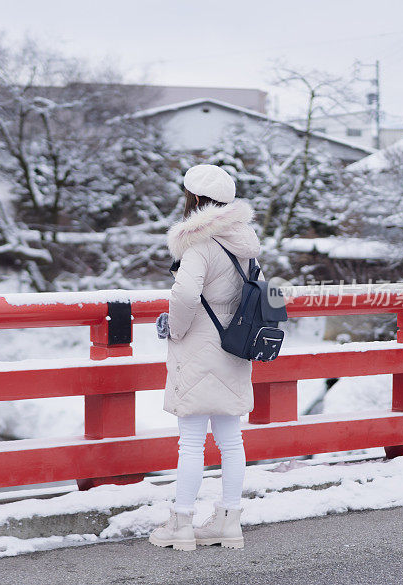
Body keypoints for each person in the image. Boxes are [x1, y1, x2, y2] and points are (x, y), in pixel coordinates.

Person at [148, 164, 260, 552]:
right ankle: (229, 522)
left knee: (191, 442)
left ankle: (181, 524)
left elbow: (183, 295)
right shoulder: (244, 244)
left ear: (194, 199)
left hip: (197, 350)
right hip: (234, 348)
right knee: (231, 440)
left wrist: (174, 329)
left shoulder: (198, 244)